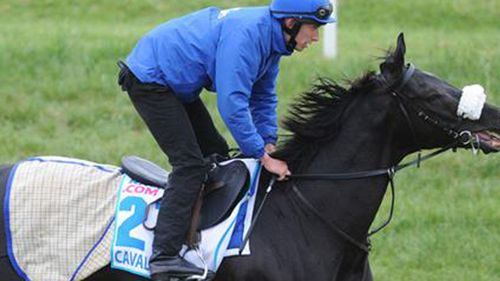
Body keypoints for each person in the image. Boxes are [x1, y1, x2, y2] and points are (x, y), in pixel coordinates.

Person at [117, 0, 335, 279]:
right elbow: (233, 104)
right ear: (291, 24)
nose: (316, 37)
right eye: (314, 28)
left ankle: (198, 238)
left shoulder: (273, 42)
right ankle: (164, 256)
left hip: (175, 83)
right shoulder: (248, 36)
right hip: (151, 79)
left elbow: (263, 97)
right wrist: (261, 156)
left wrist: (268, 142)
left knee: (217, 154)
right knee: (190, 166)